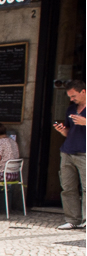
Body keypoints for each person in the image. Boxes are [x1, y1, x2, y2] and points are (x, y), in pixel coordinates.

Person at [53, 79, 86, 230]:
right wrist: (61, 130)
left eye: (74, 96)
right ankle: (73, 219)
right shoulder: (71, 109)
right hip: (68, 150)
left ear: (83, 92)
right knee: (68, 187)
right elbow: (69, 132)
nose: (71, 99)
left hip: (84, 153)